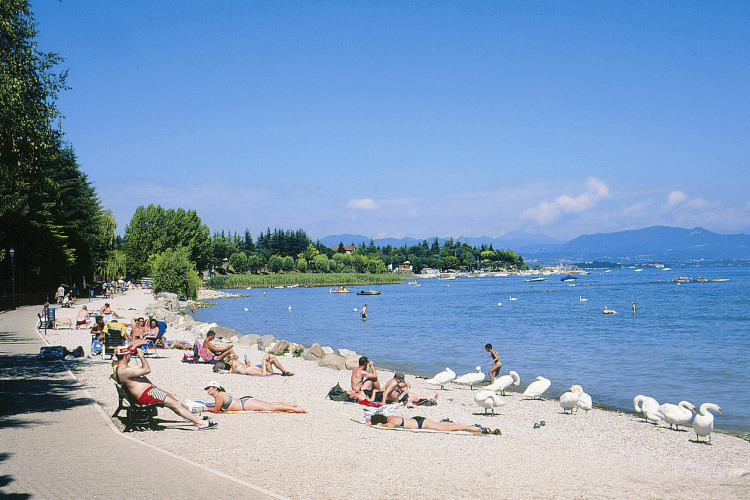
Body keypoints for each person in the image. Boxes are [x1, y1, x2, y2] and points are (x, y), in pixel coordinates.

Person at [114, 343, 216, 430]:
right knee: (175, 405)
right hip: (148, 394)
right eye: (130, 354)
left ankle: (194, 418)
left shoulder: (121, 368)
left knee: (173, 401)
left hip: (148, 392)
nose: (131, 356)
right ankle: (199, 423)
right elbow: (147, 370)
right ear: (126, 356)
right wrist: (141, 356)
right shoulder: (125, 370)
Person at [204, 381, 305, 413]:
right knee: (269, 404)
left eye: (210, 388)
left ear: (215, 388)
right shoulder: (220, 395)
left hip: (245, 404)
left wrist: (206, 408)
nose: (208, 390)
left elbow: (216, 409)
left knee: (270, 407)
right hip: (244, 402)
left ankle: (294, 408)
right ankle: (291, 405)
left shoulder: (220, 395)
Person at [367, 414, 486, 433]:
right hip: (418, 420)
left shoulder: (390, 421)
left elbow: (389, 427)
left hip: (421, 423)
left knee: (446, 429)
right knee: (442, 425)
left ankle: (471, 428)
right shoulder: (390, 417)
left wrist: (378, 425)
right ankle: (458, 424)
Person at [225, 354, 294, 376]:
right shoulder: (234, 363)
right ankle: (284, 371)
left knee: (273, 359)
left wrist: (248, 364)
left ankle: (284, 371)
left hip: (250, 368)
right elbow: (233, 372)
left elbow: (235, 370)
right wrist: (263, 361)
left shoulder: (237, 363)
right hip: (249, 370)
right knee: (266, 372)